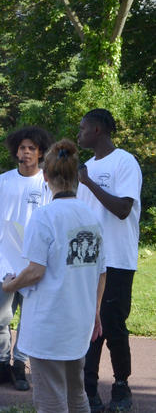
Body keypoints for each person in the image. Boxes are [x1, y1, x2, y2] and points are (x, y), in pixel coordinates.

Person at [2, 139, 107, 413]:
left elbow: (36, 271)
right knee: (77, 394)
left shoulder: (44, 216)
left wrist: (10, 285)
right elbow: (101, 272)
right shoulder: (92, 217)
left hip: (49, 323)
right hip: (79, 322)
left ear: (45, 176)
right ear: (77, 178)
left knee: (50, 401)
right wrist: (95, 311)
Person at [77, 109, 142, 413]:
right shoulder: (85, 168)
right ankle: (88, 390)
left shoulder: (124, 162)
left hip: (117, 259)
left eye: (83, 128)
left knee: (113, 324)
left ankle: (122, 389)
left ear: (98, 129)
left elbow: (123, 209)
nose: (79, 133)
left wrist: (88, 183)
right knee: (90, 326)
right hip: (89, 262)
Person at [0, 126, 53, 391]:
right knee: (0, 315)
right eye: (22, 148)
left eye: (31, 148)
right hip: (4, 262)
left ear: (41, 152)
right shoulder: (3, 181)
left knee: (29, 317)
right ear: (16, 151)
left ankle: (20, 365)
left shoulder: (47, 182)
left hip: (34, 263)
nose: (25, 152)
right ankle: (1, 363)